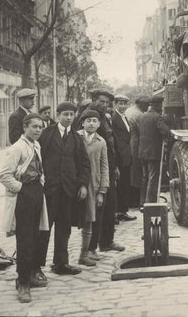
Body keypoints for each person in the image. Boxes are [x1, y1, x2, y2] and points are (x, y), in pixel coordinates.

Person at [33, 102, 91, 281]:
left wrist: (82, 185)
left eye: (71, 114)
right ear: (58, 115)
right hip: (49, 191)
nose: (68, 117)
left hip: (68, 190)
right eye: (65, 114)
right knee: (44, 228)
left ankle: (61, 263)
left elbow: (84, 163)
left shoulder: (76, 138)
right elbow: (36, 157)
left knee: (64, 228)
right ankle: (36, 267)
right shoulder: (47, 134)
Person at [0, 113, 49, 303]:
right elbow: (4, 175)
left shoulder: (36, 145)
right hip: (24, 196)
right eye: (34, 127)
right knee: (25, 240)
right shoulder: (17, 148)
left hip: (36, 193)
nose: (38, 130)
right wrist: (21, 189)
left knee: (36, 237)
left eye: (40, 127)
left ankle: (30, 276)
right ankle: (23, 282)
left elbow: (39, 169)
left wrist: (40, 184)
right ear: (24, 127)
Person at [89, 88, 125, 252]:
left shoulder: (105, 118)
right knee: (97, 209)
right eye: (101, 102)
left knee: (111, 206)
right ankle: (91, 246)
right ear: (94, 100)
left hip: (109, 168)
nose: (104, 105)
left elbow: (111, 143)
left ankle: (107, 242)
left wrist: (115, 165)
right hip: (96, 171)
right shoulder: (88, 118)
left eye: (106, 102)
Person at [77, 109, 109, 265]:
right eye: (88, 120)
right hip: (76, 183)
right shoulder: (76, 137)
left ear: (99, 124)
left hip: (93, 185)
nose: (91, 123)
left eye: (94, 121)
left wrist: (102, 190)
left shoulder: (101, 142)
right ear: (82, 123)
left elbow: (104, 167)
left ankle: (85, 253)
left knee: (90, 218)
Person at [138, 96, 170, 206]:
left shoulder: (143, 116)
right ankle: (150, 204)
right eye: (160, 105)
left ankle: (143, 202)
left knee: (145, 177)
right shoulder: (157, 117)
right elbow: (165, 131)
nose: (161, 107)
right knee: (153, 178)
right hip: (153, 153)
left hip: (142, 152)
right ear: (157, 105)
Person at [112, 94, 136, 221]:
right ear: (115, 104)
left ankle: (123, 211)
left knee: (124, 184)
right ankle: (116, 212)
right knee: (119, 185)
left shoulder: (124, 117)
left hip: (126, 155)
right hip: (120, 156)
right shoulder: (114, 118)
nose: (122, 106)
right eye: (120, 104)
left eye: (124, 104)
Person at [125, 95, 150, 207]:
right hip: (136, 144)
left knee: (132, 172)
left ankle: (130, 199)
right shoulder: (139, 115)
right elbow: (143, 132)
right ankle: (135, 200)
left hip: (129, 142)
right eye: (146, 105)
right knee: (137, 172)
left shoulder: (129, 110)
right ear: (140, 104)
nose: (148, 107)